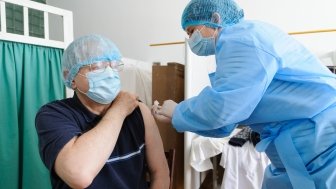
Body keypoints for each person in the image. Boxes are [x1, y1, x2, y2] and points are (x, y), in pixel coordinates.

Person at [151, 0, 336, 188]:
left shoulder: (241, 39)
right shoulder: (238, 42)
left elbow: (223, 108)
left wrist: (178, 111)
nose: (191, 39)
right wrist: (178, 119)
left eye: (192, 31)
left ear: (215, 18)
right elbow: (225, 124)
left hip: (321, 144)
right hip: (297, 150)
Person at [35, 34, 170, 189]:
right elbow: (79, 174)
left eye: (113, 65)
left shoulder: (138, 110)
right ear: (71, 77)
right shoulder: (53, 115)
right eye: (97, 66)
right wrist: (119, 109)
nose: (109, 73)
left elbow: (160, 173)